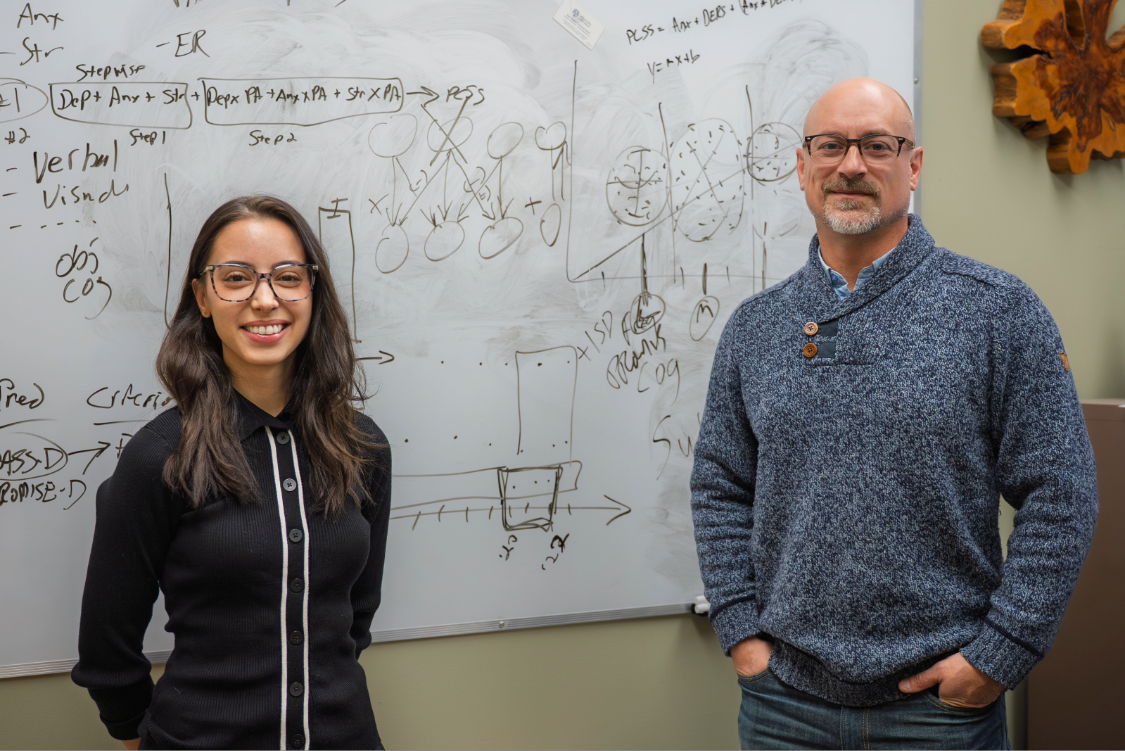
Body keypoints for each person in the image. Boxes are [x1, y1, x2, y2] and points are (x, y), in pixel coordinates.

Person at [690, 78, 1097, 749]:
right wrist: (741, 632)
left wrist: (998, 655)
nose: (851, 164)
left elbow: (1061, 493)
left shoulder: (997, 312)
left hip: (939, 711)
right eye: (830, 145)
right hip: (782, 706)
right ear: (802, 167)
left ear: (913, 166)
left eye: (877, 145)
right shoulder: (754, 329)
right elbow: (718, 484)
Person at [72, 196, 392, 750]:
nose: (265, 300)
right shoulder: (160, 457)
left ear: (312, 291)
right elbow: (107, 648)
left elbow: (355, 619)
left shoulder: (362, 446)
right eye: (236, 278)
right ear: (201, 296)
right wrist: (135, 737)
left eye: (288, 277)